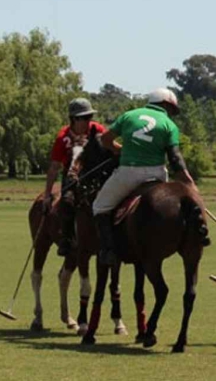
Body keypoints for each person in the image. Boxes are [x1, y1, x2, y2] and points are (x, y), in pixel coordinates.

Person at [90, 88, 201, 266]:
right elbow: (174, 157)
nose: (171, 114)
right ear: (166, 105)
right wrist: (188, 181)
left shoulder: (129, 116)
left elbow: (105, 139)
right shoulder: (169, 125)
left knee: (100, 206)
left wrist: (119, 149)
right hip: (156, 173)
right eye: (172, 110)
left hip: (128, 173)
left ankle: (108, 251)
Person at [42, 98, 107, 255]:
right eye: (83, 118)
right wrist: (46, 195)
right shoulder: (62, 137)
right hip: (71, 175)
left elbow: (109, 149)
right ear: (73, 119)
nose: (87, 121)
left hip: (95, 173)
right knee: (67, 201)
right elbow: (54, 167)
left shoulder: (97, 130)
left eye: (89, 117)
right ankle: (67, 239)